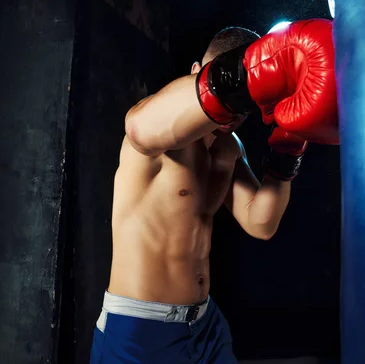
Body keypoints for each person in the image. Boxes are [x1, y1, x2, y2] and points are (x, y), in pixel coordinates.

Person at [90, 19, 338, 364]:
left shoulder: (228, 148)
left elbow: (260, 223)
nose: (235, 114)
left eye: (246, 103)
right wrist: (238, 79)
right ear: (196, 72)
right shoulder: (161, 130)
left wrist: (289, 149)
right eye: (237, 95)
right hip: (141, 331)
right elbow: (139, 128)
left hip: (205, 327)